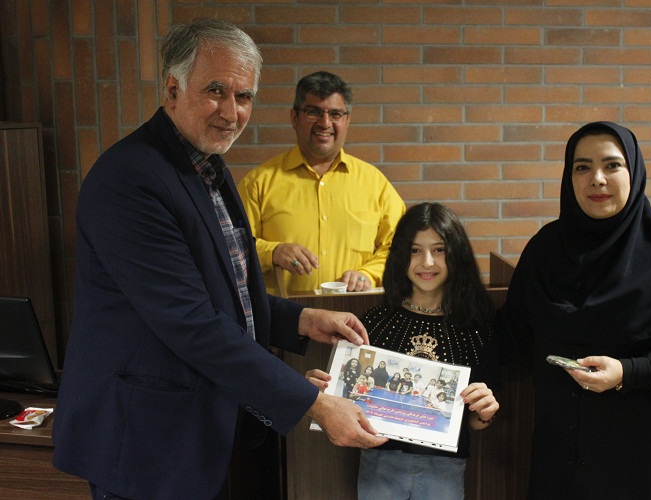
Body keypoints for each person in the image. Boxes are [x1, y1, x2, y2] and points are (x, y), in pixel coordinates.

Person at [51, 19, 386, 500]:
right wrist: (314, 404)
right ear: (172, 89)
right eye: (215, 91)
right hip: (144, 442)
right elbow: (192, 321)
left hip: (197, 430)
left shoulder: (206, 165)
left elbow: (227, 291)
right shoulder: (131, 179)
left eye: (244, 96)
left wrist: (299, 319)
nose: (232, 112)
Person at [493, 121, 651, 499]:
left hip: (635, 453)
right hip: (558, 449)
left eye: (612, 165)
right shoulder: (545, 250)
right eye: (582, 167)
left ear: (633, 172)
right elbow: (510, 333)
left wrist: (627, 372)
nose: (597, 179)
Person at [307, 202, 501, 499]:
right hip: (378, 463)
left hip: (445, 469)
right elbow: (350, 398)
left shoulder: (475, 328)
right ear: (401, 255)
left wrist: (486, 411)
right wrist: (325, 391)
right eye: (415, 250)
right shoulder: (375, 322)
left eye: (439, 249)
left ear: (456, 254)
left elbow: (476, 422)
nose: (427, 262)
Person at [238, 71, 406, 294]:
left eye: (335, 114)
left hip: (356, 311)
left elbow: (402, 246)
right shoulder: (257, 184)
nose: (325, 123)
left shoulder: (376, 184)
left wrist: (368, 274)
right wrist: (272, 252)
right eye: (313, 112)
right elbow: (232, 247)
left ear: (347, 121)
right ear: (295, 118)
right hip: (282, 313)